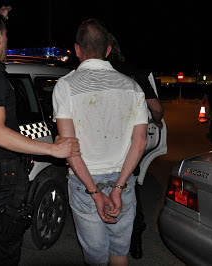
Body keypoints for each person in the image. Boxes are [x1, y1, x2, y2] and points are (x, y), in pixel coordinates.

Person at [0, 7, 80, 266]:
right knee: (7, 248)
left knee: (2, 237)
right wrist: (52, 150)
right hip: (3, 176)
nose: (7, 40)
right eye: (5, 34)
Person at [53, 18, 148, 265]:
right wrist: (117, 187)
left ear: (77, 50)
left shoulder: (65, 87)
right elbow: (139, 144)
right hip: (123, 181)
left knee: (96, 257)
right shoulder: (134, 87)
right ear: (107, 50)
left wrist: (95, 194)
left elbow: (69, 148)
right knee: (119, 252)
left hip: (85, 184)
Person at [107, 33, 164, 259]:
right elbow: (156, 109)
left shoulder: (86, 75)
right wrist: (157, 121)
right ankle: (135, 241)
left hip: (96, 145)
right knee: (130, 189)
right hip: (128, 145)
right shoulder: (134, 74)